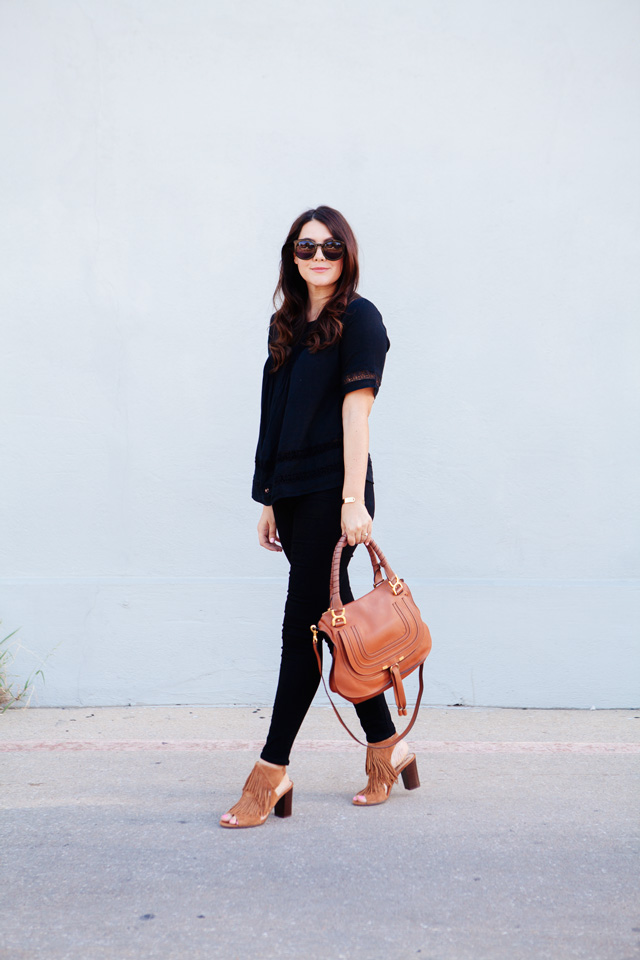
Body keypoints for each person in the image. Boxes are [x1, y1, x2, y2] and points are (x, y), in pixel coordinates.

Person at [220, 206, 419, 828]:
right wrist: (269, 498)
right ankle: (388, 747)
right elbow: (272, 417)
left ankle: (271, 771)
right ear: (292, 254)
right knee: (334, 625)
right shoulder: (285, 323)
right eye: (306, 247)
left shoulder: (360, 319)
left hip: (337, 493)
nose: (319, 258)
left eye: (331, 247)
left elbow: (356, 414)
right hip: (295, 491)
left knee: (298, 632)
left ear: (347, 253)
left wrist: (353, 501)